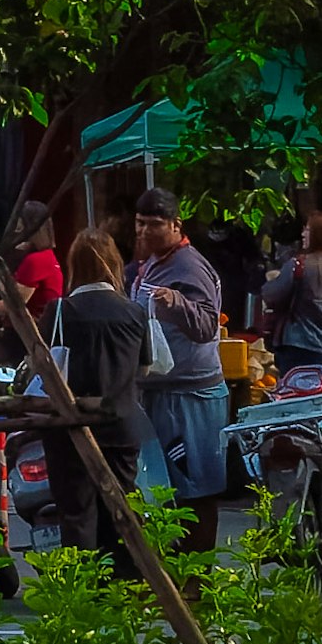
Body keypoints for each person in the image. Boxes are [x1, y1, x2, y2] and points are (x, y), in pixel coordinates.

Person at [129, 205, 231, 546]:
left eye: (154, 224)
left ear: (176, 225)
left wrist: (177, 303)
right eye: (140, 222)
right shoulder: (155, 262)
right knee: (167, 488)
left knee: (196, 488)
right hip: (162, 393)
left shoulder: (189, 266)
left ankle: (196, 576)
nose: (144, 231)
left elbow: (206, 325)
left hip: (191, 397)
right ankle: (176, 573)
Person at [48, 227, 150, 548]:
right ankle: (121, 588)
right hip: (122, 424)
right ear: (114, 264)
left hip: (70, 426)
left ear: (73, 265)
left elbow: (46, 367)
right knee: (120, 513)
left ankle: (81, 591)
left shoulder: (61, 311)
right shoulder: (134, 311)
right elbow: (144, 367)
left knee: (76, 514)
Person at [255, 211, 322, 380]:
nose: (303, 234)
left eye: (308, 229)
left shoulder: (300, 265)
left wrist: (273, 279)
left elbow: (271, 295)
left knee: (299, 401)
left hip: (301, 347)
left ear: (320, 235)